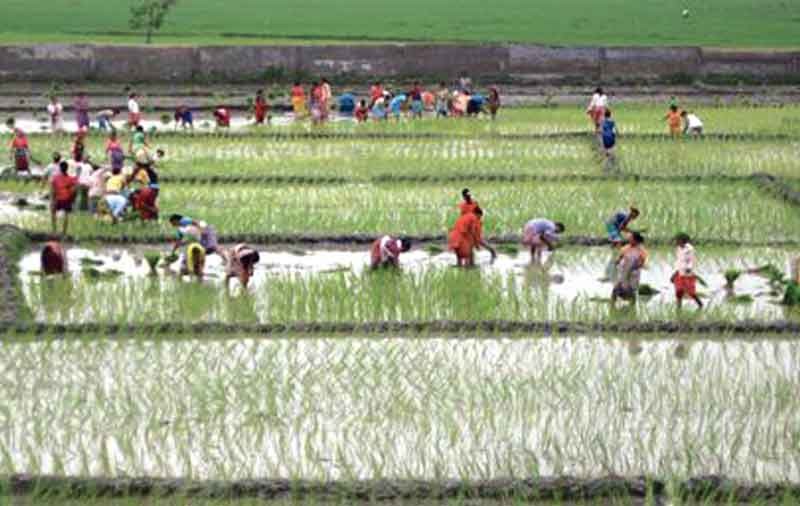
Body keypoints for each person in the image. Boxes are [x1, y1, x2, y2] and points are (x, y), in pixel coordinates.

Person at [612, 232, 648, 307]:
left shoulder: (641, 250)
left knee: (631, 291)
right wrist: (617, 262)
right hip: (624, 271)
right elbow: (620, 257)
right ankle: (612, 305)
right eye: (629, 238)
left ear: (636, 240)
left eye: (631, 238)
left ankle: (632, 307)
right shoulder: (626, 248)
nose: (629, 239)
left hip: (633, 273)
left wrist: (635, 266)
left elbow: (642, 262)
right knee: (616, 288)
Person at [671, 233, 703, 309]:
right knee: (678, 291)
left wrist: (689, 268)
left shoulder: (690, 249)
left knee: (691, 291)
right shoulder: (679, 248)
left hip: (688, 273)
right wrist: (675, 273)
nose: (676, 242)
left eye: (677, 240)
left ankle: (700, 304)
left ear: (682, 240)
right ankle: (679, 306)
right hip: (679, 271)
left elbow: (692, 260)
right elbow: (678, 261)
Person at [50, 160, 78, 235]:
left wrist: (52, 200)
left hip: (58, 198)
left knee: (53, 213)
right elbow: (74, 189)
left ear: (60, 168)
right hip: (66, 198)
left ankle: (54, 230)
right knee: (66, 214)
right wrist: (72, 199)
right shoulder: (70, 179)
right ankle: (64, 232)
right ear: (67, 168)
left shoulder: (55, 178)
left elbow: (53, 190)